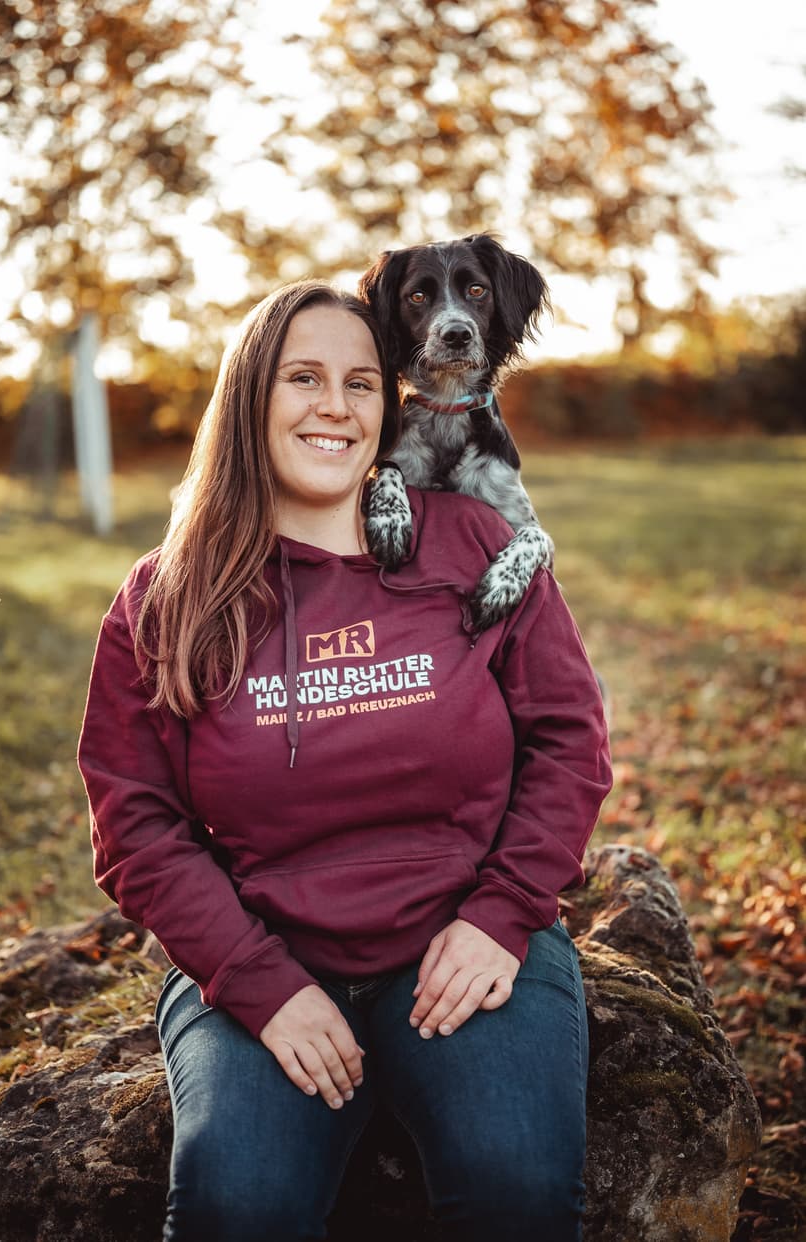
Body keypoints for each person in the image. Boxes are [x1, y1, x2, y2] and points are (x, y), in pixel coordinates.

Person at [78, 280, 612, 1242]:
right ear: (251, 397)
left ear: (390, 400)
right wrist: (255, 982)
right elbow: (135, 821)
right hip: (268, 952)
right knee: (238, 1204)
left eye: (362, 382)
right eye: (305, 377)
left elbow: (570, 738)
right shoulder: (169, 597)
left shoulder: (477, 543)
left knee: (514, 1184)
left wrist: (503, 914)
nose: (336, 405)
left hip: (464, 943)